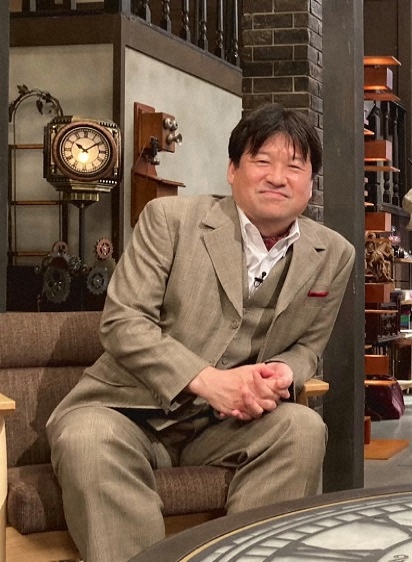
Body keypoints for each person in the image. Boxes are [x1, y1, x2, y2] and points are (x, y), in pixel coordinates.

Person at [46, 103, 355, 561]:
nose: (278, 177)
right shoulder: (169, 220)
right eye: (262, 160)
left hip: (227, 427)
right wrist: (208, 381)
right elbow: (123, 321)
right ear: (232, 170)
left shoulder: (334, 253)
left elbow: (308, 346)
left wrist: (283, 373)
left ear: (310, 183)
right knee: (86, 439)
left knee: (302, 428)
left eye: (294, 166)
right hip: (129, 411)